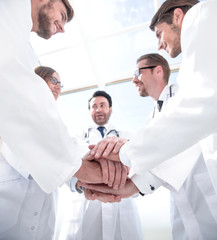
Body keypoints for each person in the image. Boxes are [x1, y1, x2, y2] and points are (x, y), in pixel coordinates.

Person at [81, 53, 217, 239]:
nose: (133, 80)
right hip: (181, 207)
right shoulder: (150, 119)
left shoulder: (185, 95)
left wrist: (124, 155)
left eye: (138, 72)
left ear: (158, 70)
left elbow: (175, 143)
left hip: (206, 194)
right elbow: (150, 161)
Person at [88, 0, 217, 195]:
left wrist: (127, 151)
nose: (159, 45)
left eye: (159, 34)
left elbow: (204, 100)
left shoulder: (200, 16)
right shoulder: (154, 116)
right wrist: (134, 185)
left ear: (178, 16)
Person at [0, 0, 117, 194]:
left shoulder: (21, 38)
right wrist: (86, 170)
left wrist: (77, 172)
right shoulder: (11, 9)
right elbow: (14, 83)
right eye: (62, 16)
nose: (62, 28)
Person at [65, 91, 144, 240]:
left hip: (121, 206)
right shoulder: (77, 137)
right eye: (94, 106)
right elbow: (67, 168)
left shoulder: (125, 135)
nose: (98, 109)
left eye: (102, 105)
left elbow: (138, 168)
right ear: (89, 111)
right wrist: (83, 185)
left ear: (110, 109)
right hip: (86, 205)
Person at [0, 66, 62, 240]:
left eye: (60, 84)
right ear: (38, 81)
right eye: (54, 80)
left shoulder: (55, 121)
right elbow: (26, 159)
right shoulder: (15, 109)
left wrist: (78, 182)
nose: (58, 87)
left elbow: (64, 159)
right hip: (11, 204)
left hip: (43, 214)